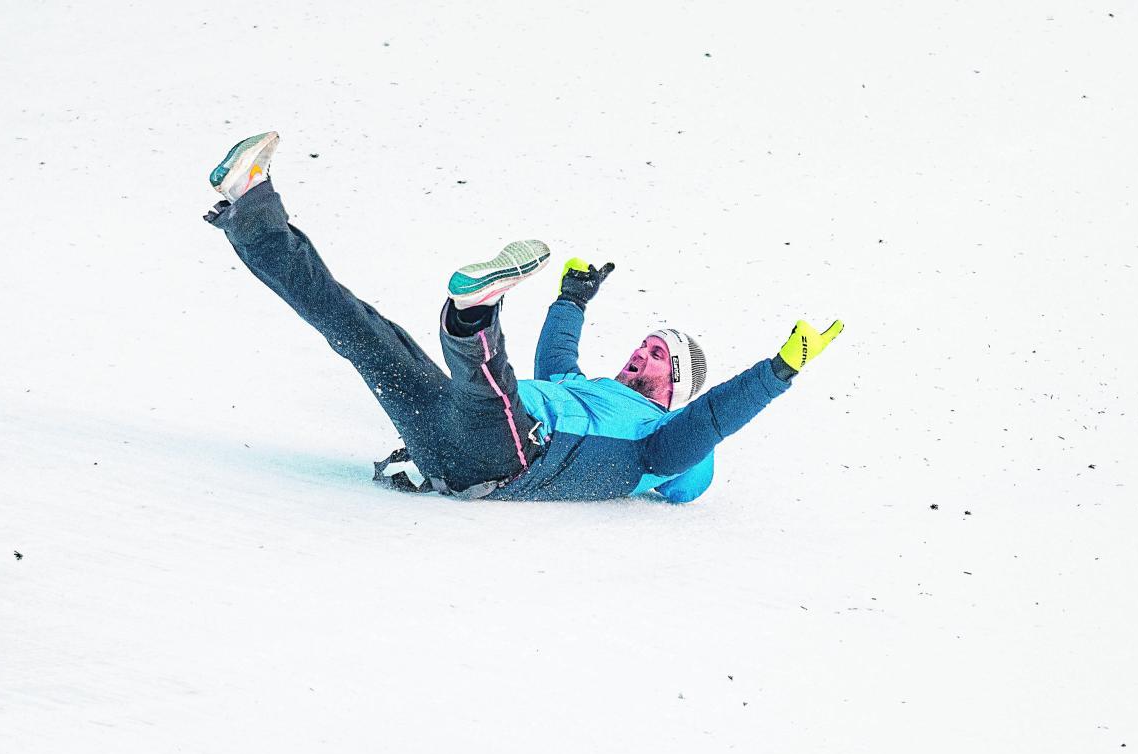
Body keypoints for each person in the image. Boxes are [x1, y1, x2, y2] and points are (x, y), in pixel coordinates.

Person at [203, 130, 845, 501]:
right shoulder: (578, 387)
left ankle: (473, 315)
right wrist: (573, 298)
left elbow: (704, 431)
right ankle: (251, 206)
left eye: (658, 355)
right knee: (360, 330)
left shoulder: (657, 443)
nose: (641, 354)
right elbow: (559, 356)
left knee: (491, 382)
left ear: (675, 384)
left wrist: (777, 372)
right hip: (444, 426)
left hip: (507, 458)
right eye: (645, 343)